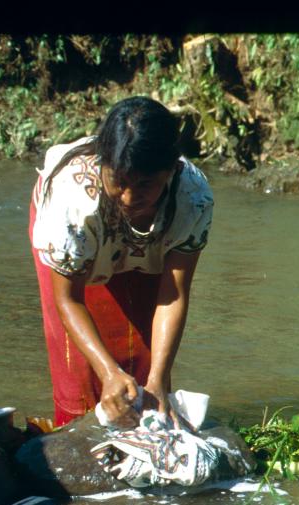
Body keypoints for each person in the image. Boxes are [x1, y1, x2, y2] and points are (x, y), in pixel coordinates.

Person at [29, 96, 213, 428]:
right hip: (81, 241)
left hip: (150, 242)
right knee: (81, 375)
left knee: (144, 365)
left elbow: (172, 295)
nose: (129, 197)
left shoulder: (192, 199)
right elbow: (68, 299)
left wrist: (158, 378)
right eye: (119, 181)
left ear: (170, 172)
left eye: (144, 185)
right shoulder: (72, 202)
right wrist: (108, 371)